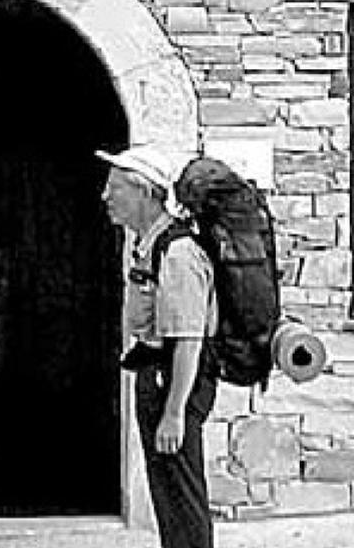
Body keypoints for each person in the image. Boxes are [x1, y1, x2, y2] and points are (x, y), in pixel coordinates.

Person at [98, 144, 218, 548]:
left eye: (115, 187)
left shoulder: (178, 253)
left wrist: (174, 412)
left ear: (144, 191)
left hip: (173, 384)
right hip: (159, 378)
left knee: (181, 496)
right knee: (167, 494)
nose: (106, 196)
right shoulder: (150, 244)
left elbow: (188, 338)